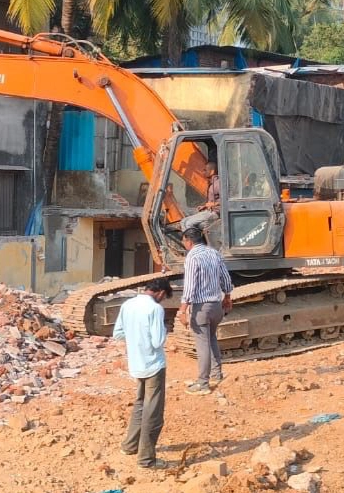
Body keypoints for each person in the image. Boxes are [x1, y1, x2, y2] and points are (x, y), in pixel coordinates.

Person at [112, 276, 173, 469]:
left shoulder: (128, 304)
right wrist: (164, 329)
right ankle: (146, 459)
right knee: (153, 412)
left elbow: (118, 334)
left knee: (140, 405)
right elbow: (157, 342)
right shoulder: (155, 309)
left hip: (136, 364)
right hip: (153, 364)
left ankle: (129, 446)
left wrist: (135, 338)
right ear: (161, 293)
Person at [177, 227, 233, 396]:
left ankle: (203, 383)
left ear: (189, 241)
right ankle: (216, 374)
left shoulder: (192, 257)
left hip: (201, 307)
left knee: (202, 344)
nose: (184, 244)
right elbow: (225, 278)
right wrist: (227, 296)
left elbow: (190, 286)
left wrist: (182, 310)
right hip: (216, 306)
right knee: (211, 338)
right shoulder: (214, 253)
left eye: (184, 241)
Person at [180, 162, 220, 232]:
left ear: (212, 171)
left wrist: (213, 204)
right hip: (209, 211)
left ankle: (194, 242)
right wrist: (204, 206)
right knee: (183, 221)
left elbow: (227, 200)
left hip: (216, 213)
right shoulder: (212, 184)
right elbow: (213, 201)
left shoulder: (218, 183)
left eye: (205, 170)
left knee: (188, 223)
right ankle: (190, 240)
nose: (203, 172)